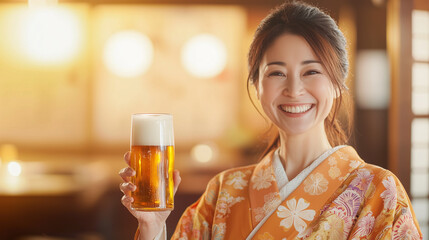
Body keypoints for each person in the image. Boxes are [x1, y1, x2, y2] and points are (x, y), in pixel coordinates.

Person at [119, 1, 422, 239]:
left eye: (311, 71)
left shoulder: (379, 192)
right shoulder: (224, 190)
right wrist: (152, 225)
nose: (294, 90)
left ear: (337, 82)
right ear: (257, 85)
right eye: (276, 72)